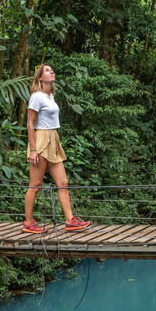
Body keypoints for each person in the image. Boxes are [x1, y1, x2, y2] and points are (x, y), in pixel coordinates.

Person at [22, 64, 91, 234]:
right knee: (36, 184)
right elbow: (30, 124)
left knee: (63, 182)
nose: (51, 71)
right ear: (40, 78)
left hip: (54, 139)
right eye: (47, 70)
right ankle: (28, 223)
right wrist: (32, 150)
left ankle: (70, 221)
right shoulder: (36, 97)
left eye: (52, 69)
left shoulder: (50, 96)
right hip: (41, 140)